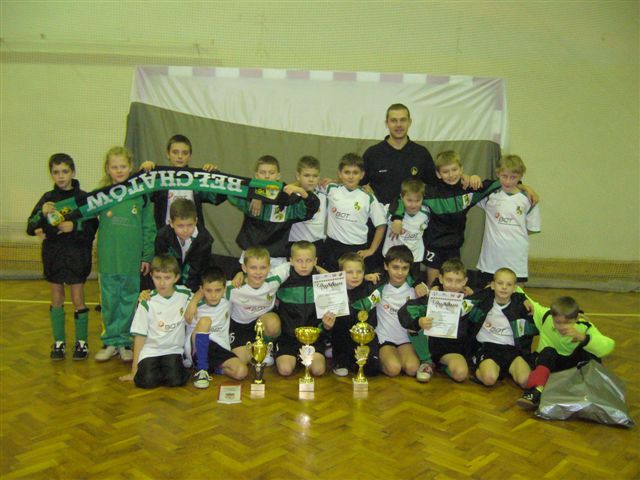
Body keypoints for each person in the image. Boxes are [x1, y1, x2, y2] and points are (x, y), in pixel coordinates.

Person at [26, 153, 97, 360]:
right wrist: (42, 214)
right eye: (56, 172)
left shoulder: (83, 198)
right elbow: (30, 226)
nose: (61, 176)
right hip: (54, 254)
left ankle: (81, 342)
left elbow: (93, 225)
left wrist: (74, 226)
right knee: (56, 296)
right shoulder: (47, 198)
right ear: (51, 174)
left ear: (73, 172)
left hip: (77, 254)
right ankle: (59, 342)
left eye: (65, 171)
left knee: (77, 297)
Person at [390, 150, 498, 286]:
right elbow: (401, 198)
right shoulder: (430, 192)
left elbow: (500, 182)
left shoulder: (468, 190)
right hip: (433, 246)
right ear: (438, 174)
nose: (451, 175)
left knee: (453, 284)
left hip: (454, 246)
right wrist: (397, 219)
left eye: (454, 170)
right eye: (446, 172)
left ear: (461, 169)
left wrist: (521, 184)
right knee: (433, 285)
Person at [95, 146, 156, 363]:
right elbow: (82, 217)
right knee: (110, 301)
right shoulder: (101, 195)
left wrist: (147, 255)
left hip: (132, 259)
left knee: (129, 300)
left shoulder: (141, 193)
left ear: (130, 167)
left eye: (123, 166)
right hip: (108, 258)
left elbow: (149, 226)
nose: (119, 170)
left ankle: (125, 342)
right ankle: (110, 341)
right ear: (107, 169)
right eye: (114, 167)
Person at [517, 295, 615, 409]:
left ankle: (589, 392)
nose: (562, 327)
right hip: (551, 365)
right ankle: (535, 391)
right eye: (558, 322)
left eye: (567, 322)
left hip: (572, 368)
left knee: (590, 354)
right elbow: (518, 290)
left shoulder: (584, 326)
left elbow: (608, 346)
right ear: (552, 317)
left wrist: (583, 338)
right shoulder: (546, 316)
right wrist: (523, 299)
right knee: (547, 351)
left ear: (576, 318)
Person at [228, 155, 319, 267]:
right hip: (251, 254)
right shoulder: (248, 196)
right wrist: (256, 193)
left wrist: (301, 191)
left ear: (278, 175)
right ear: (256, 175)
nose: (267, 176)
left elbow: (310, 209)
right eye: (262, 172)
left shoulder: (289, 199)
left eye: (271, 173)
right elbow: (226, 190)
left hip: (277, 259)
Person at [119, 255, 191, 388]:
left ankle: (170, 368)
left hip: (173, 350)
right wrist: (134, 370)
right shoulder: (147, 300)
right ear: (151, 276)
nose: (162, 283)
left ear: (176, 277)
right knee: (146, 382)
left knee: (175, 381)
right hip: (151, 350)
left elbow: (202, 293)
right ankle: (157, 369)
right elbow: (140, 336)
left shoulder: (185, 294)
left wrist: (195, 301)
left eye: (167, 278)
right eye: (157, 277)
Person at [399, 258, 473, 382]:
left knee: (460, 374)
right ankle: (427, 362)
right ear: (441, 278)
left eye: (458, 281)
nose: (453, 285)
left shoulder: (469, 300)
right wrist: (419, 321)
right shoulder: (432, 297)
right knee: (413, 325)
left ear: (465, 281)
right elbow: (405, 311)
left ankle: (441, 366)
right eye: (449, 280)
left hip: (450, 351)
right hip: (428, 346)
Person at [355, 246, 422, 378]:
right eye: (395, 267)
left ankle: (399, 356)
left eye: (404, 268)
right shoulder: (379, 287)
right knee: (393, 369)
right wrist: (364, 279)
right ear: (386, 266)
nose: (400, 272)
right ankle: (381, 359)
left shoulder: (415, 289)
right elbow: (360, 303)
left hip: (405, 339)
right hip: (385, 338)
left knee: (413, 369)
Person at [475, 155, 541, 287]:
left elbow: (531, 228)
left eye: (513, 177)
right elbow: (467, 190)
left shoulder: (528, 199)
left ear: (520, 176)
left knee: (517, 292)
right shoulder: (490, 195)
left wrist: (512, 234)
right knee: (490, 291)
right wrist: (472, 177)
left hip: (515, 255)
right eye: (504, 176)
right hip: (491, 257)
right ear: (498, 174)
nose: (508, 181)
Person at [466, 268, 537, 387]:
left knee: (525, 381)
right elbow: (462, 303)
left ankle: (503, 369)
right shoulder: (483, 300)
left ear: (514, 288)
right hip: (487, 348)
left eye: (509, 284)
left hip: (512, 350)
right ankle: (480, 370)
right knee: (489, 379)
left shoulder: (521, 306)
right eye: (500, 283)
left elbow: (533, 326)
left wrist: (523, 298)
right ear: (493, 285)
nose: (504, 287)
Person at [140, 134, 223, 231]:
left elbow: (217, 197)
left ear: (190, 156)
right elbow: (141, 197)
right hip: (165, 235)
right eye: (175, 152)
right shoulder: (158, 178)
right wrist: (144, 172)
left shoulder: (197, 179)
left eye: (185, 153)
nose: (180, 156)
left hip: (193, 235)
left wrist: (214, 175)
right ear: (167, 154)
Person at [274, 241, 331, 377]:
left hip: (313, 339)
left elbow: (338, 288)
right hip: (288, 338)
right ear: (291, 261)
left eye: (308, 261)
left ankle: (307, 356)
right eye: (299, 261)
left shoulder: (322, 281)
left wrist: (326, 326)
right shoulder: (282, 280)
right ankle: (287, 354)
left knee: (318, 370)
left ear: (315, 261)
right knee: (285, 370)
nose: (304, 265)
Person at [362, 103, 437, 206]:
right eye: (394, 120)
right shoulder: (372, 154)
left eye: (403, 120)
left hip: (413, 214)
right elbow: (357, 184)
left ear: (409, 122)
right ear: (387, 123)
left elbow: (435, 187)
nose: (398, 125)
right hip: (380, 214)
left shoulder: (421, 154)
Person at [323, 153, 387, 271]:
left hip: (356, 249)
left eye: (355, 172)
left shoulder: (368, 197)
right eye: (347, 172)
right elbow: (309, 184)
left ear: (362, 175)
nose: (351, 176)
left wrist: (371, 250)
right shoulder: (331, 189)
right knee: (330, 280)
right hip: (332, 247)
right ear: (339, 173)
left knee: (353, 280)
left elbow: (381, 225)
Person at [187, 266, 248, 389]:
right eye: (208, 291)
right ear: (201, 289)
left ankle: (214, 368)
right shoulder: (190, 303)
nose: (213, 295)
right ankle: (201, 370)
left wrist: (240, 273)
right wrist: (193, 302)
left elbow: (251, 278)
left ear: (224, 289)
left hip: (220, 346)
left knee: (241, 372)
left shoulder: (228, 296)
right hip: (196, 347)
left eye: (218, 290)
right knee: (205, 321)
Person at [326, 252, 380, 377]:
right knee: (341, 319)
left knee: (372, 370)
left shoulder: (369, 288)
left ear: (364, 272)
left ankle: (356, 361)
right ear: (340, 273)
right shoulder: (334, 291)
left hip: (364, 337)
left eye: (359, 272)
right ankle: (340, 360)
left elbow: (387, 276)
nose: (355, 276)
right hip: (343, 337)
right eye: (349, 272)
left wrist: (368, 277)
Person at [155, 198, 213, 292]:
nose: (185, 230)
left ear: (196, 221)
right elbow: (159, 266)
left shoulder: (205, 240)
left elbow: (205, 271)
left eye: (190, 225)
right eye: (180, 226)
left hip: (195, 288)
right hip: (169, 287)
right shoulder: (163, 237)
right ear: (171, 223)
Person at [381, 177, 429, 280]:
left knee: (414, 284)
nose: (413, 204)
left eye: (417, 200)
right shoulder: (391, 211)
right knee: (391, 283)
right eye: (409, 200)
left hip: (415, 257)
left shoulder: (426, 213)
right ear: (402, 197)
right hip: (392, 257)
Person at [288, 156, 328, 267]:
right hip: (295, 244)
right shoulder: (291, 195)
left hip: (317, 245)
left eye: (315, 176)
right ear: (298, 176)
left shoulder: (324, 195)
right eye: (306, 175)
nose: (311, 179)